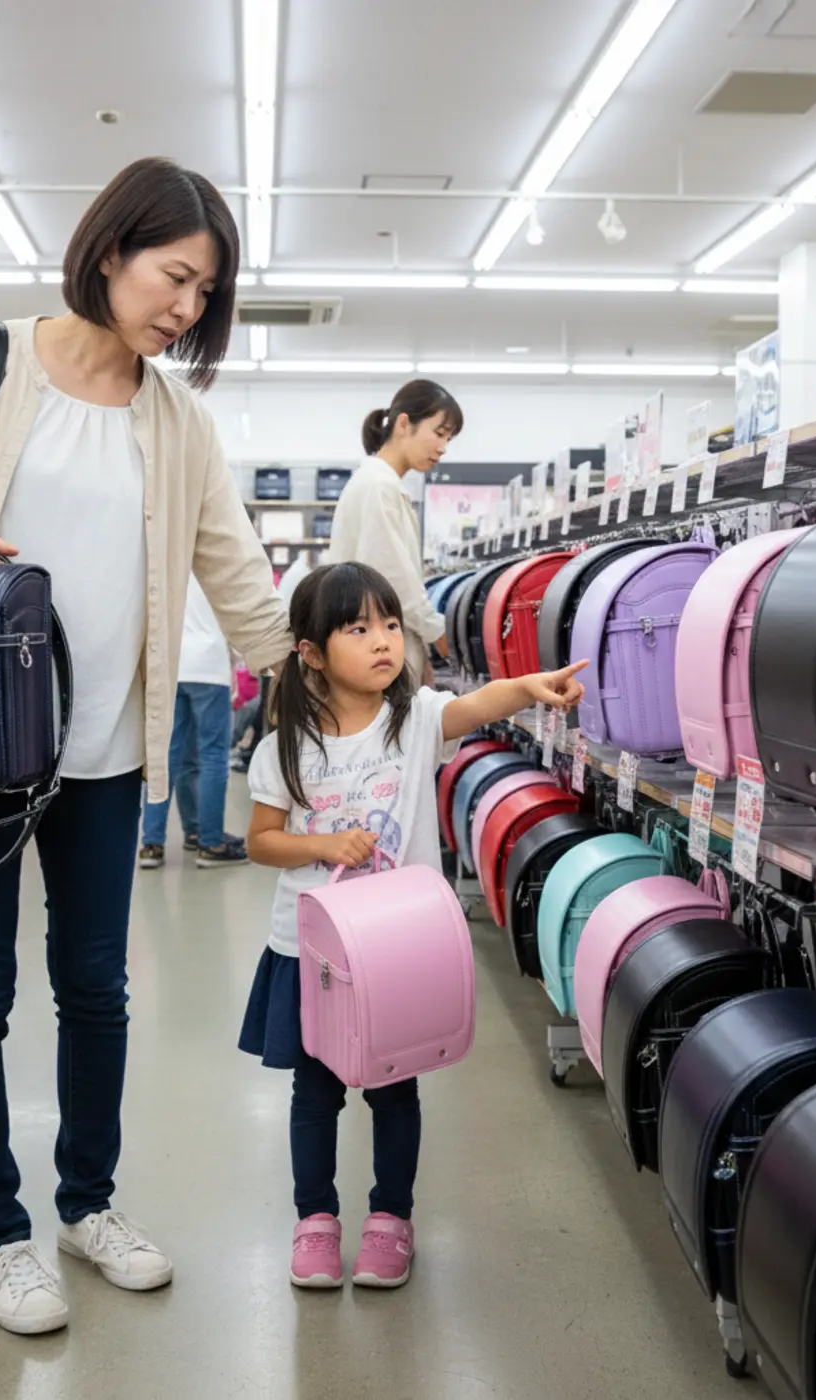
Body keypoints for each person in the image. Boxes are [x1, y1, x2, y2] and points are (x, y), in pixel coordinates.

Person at [0, 157, 292, 1336]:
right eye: (174, 276)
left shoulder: (178, 419)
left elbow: (239, 583)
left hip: (101, 756)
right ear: (110, 251)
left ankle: (86, 1203)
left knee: (97, 989)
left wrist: (350, 673)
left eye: (205, 292)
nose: (185, 308)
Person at [239, 562, 586, 1290]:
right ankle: (315, 1220)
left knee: (396, 1090)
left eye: (390, 624)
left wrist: (527, 687)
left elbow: (477, 703)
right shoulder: (285, 748)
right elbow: (261, 841)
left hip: (398, 952)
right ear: (311, 653)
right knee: (315, 1092)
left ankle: (391, 1220)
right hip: (314, 955)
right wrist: (324, 846)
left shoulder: (416, 720)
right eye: (358, 628)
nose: (383, 642)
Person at [328, 380, 463, 683]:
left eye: (449, 439)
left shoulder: (381, 485)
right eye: (439, 433)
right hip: (375, 657)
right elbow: (392, 581)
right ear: (404, 423)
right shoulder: (379, 487)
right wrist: (439, 635)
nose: (442, 448)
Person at [139, 576, 246, 869]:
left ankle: (154, 842)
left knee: (170, 757)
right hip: (209, 667)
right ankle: (211, 843)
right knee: (213, 756)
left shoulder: (169, 558)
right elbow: (235, 619)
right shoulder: (215, 562)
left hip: (172, 666)